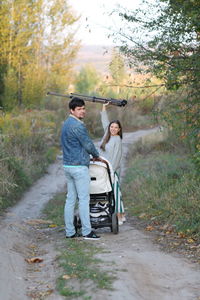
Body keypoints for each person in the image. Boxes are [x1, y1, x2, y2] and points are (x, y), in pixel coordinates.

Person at [61, 97, 101, 240]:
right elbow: (88, 144)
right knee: (84, 199)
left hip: (67, 166)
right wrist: (96, 155)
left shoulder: (65, 124)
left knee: (70, 199)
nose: (82, 111)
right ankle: (87, 232)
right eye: (79, 109)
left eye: (83, 108)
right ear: (72, 110)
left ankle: (70, 232)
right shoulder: (78, 126)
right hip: (78, 167)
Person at [99, 103, 125, 225]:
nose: (113, 129)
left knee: (114, 192)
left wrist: (111, 172)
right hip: (103, 170)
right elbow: (104, 120)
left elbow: (116, 158)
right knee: (109, 193)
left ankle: (119, 216)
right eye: (112, 127)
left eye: (116, 128)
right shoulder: (107, 134)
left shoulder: (117, 140)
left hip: (112, 170)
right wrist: (104, 107)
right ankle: (121, 214)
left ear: (119, 130)